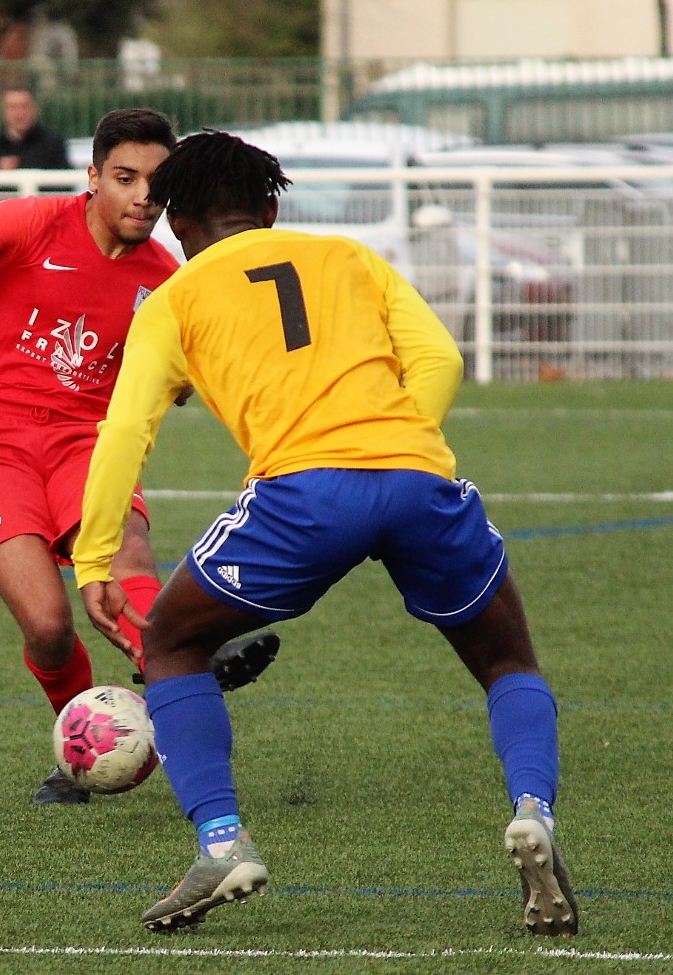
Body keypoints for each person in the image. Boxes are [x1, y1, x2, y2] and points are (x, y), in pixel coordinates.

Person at [73, 130, 577, 936]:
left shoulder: (172, 299)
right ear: (271, 207)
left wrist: (96, 557)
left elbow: (125, 429)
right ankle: (533, 811)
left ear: (173, 225)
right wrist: (402, 453)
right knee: (507, 661)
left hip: (303, 496)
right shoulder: (349, 256)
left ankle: (222, 841)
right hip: (419, 477)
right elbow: (439, 358)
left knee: (169, 643)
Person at [0, 109, 280, 806]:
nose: (142, 197)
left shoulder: (167, 279)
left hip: (87, 444)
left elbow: (200, 374)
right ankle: (83, 736)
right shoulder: (30, 224)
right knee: (48, 624)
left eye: (157, 183)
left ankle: (187, 657)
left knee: (127, 555)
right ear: (92, 177)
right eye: (124, 178)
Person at [0, 88, 71, 171]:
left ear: (35, 109)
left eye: (24, 106)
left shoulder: (53, 142)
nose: (19, 114)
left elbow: (65, 183)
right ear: (4, 112)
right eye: (13, 107)